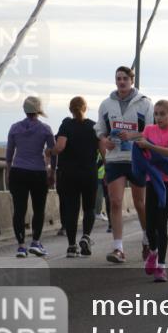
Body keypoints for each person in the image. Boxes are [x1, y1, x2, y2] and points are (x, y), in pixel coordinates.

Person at [95, 66, 154, 264]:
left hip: (137, 157)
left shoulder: (144, 103)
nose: (121, 82)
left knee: (139, 203)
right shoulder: (106, 104)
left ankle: (147, 238)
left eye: (124, 79)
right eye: (118, 78)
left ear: (132, 80)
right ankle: (118, 248)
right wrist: (105, 141)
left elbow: (151, 131)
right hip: (115, 158)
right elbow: (100, 131)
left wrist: (133, 135)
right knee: (116, 201)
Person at [6, 97, 56, 258]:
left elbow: (9, 154)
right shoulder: (46, 129)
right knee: (38, 209)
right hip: (38, 172)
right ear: (39, 110)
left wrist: (8, 172)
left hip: (17, 171)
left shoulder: (14, 128)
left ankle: (21, 246)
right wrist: (52, 171)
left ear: (24, 109)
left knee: (19, 210)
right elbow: (53, 153)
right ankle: (35, 242)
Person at [138, 100, 168, 282]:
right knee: (150, 224)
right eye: (156, 114)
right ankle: (153, 252)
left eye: (162, 114)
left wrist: (149, 146)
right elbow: (141, 147)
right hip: (151, 181)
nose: (159, 118)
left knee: (161, 223)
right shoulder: (148, 129)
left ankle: (162, 266)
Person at [53, 96, 101, 257]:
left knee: (72, 209)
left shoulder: (66, 124)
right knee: (89, 208)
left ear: (70, 109)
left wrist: (48, 151)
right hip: (89, 173)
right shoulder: (94, 126)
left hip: (69, 174)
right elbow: (104, 153)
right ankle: (86, 237)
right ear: (85, 108)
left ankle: (72, 246)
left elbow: (60, 147)